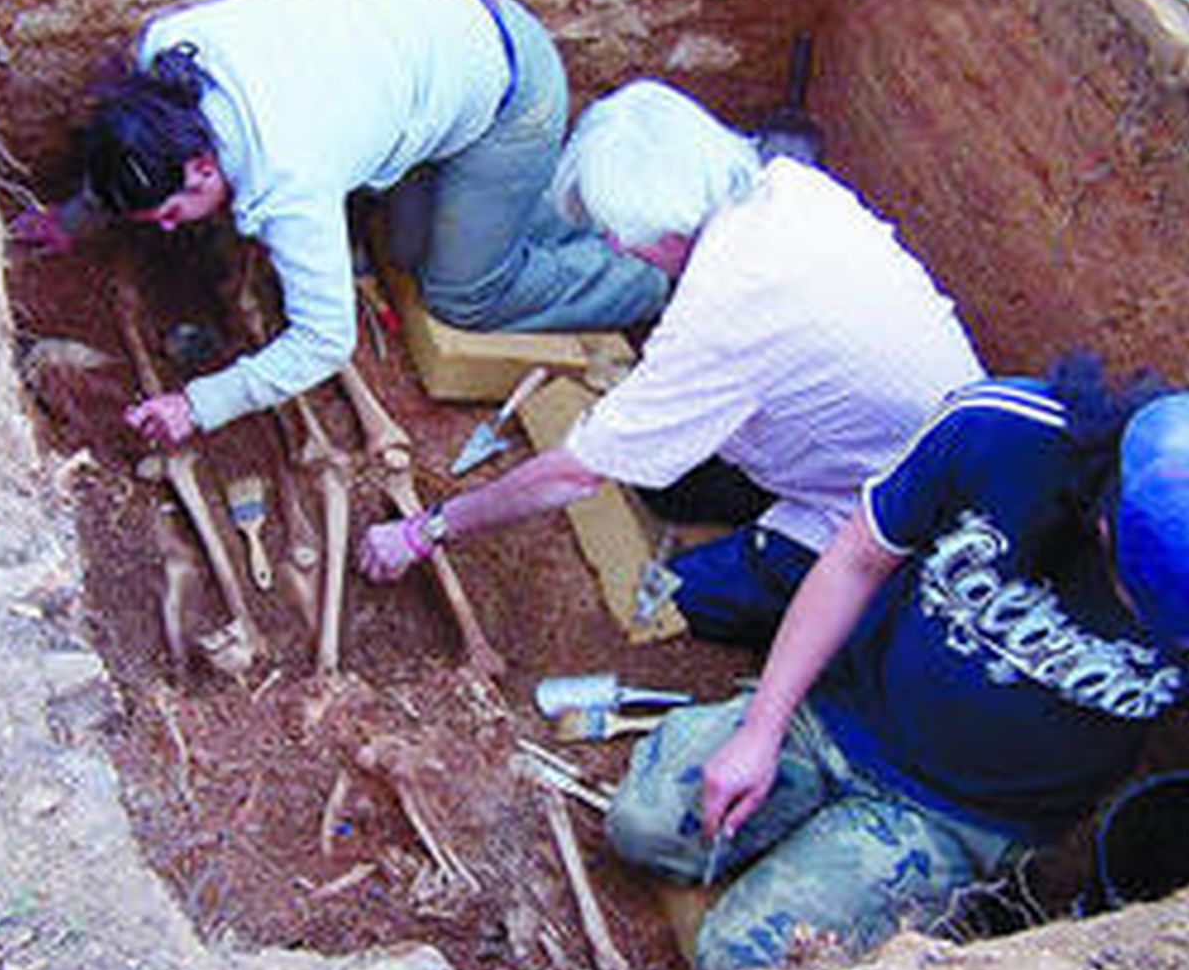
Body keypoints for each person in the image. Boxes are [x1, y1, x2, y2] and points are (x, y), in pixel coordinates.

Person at [607, 354, 1189, 970]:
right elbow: (857, 558)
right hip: (838, 713)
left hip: (957, 820)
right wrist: (762, 729)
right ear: (1107, 528)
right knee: (640, 824)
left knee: (740, 961)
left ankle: (921, 886)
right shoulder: (1000, 434)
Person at [357, 79, 984, 646]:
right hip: (901, 428)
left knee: (685, 599)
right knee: (671, 489)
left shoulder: (725, 309)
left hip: (914, 511)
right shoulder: (790, 185)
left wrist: (427, 529)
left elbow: (571, 477)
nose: (612, 246)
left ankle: (870, 613)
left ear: (661, 220)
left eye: (616, 233)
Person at [12, 0, 668, 444]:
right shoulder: (166, 56)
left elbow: (326, 340)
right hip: (432, 14)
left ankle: (648, 270)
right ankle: (544, 208)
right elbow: (131, 145)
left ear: (205, 168)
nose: (164, 228)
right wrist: (73, 218)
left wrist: (200, 404)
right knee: (407, 248)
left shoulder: (291, 177)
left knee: (462, 291)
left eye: (170, 212)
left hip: (512, 90)